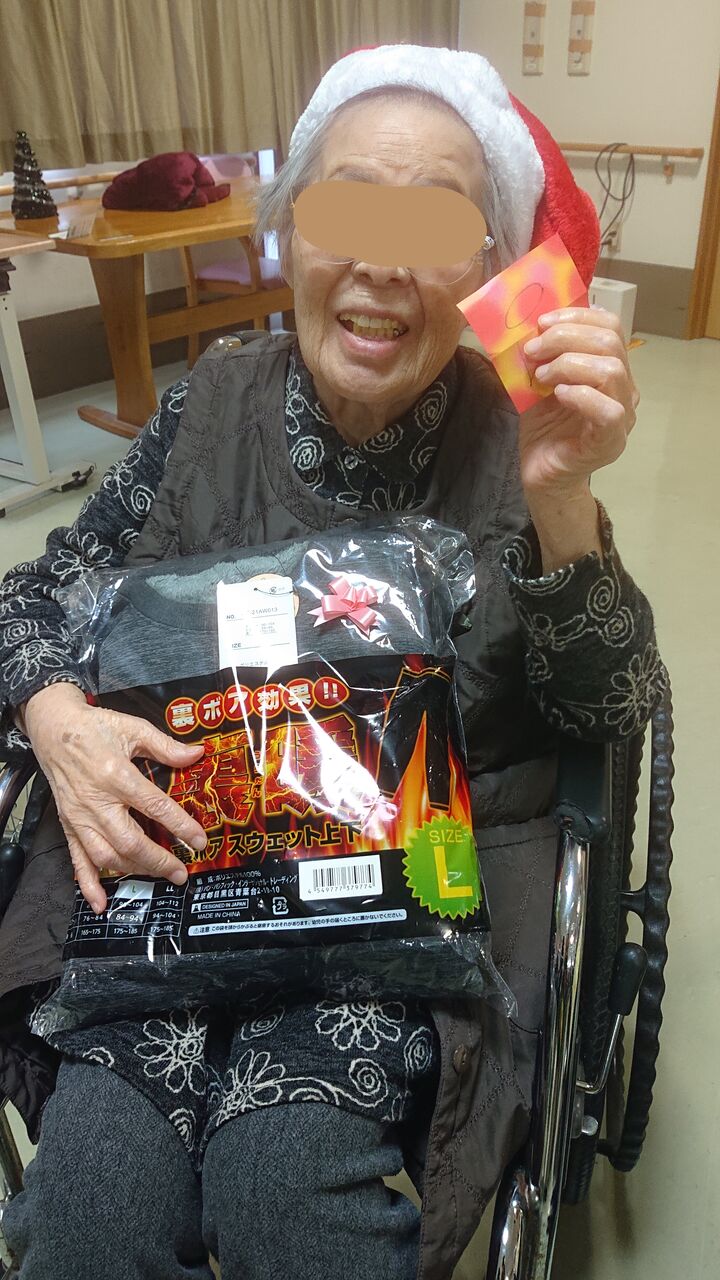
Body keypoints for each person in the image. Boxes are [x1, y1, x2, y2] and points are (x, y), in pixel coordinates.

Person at [0, 45, 664, 1280]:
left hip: (393, 922)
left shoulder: (520, 433)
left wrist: (564, 501)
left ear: (487, 266)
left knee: (287, 1183)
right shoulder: (209, 407)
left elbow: (613, 708)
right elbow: (36, 590)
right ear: (288, 233)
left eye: (432, 226)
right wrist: (58, 718)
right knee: (89, 1202)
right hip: (179, 884)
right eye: (348, 209)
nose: (380, 263)